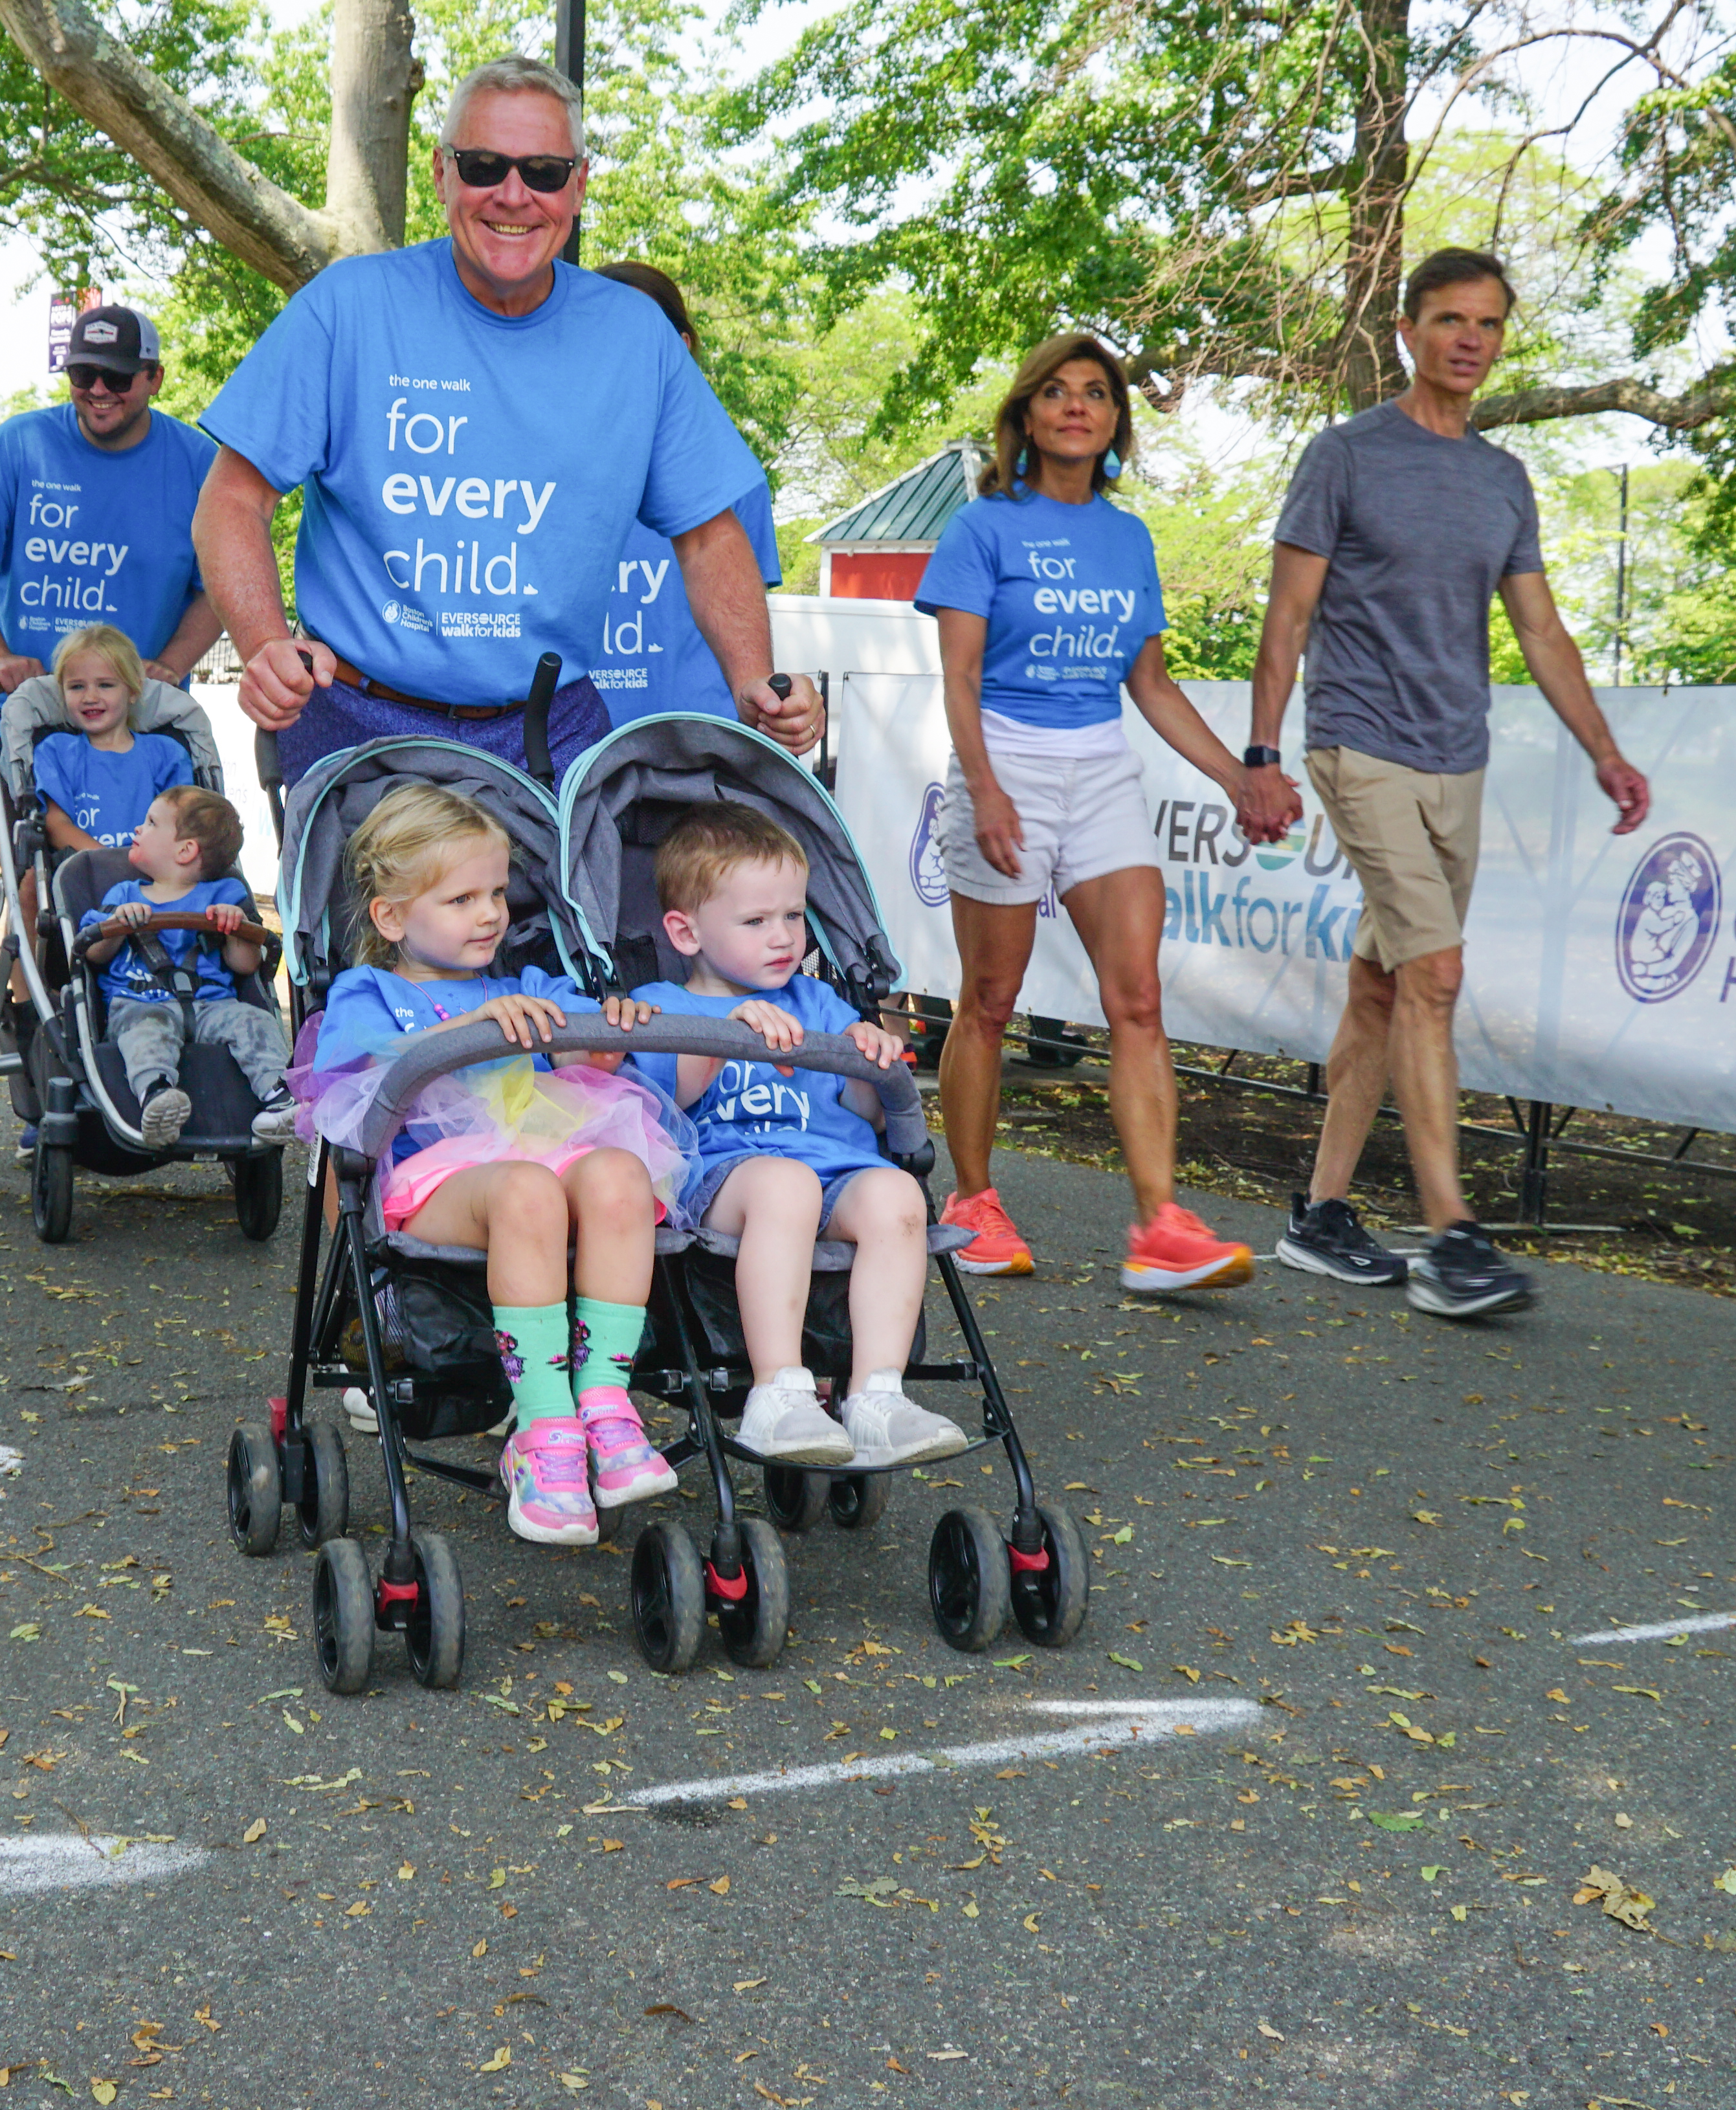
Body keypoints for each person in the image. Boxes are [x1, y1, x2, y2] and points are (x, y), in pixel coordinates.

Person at [189, 57, 824, 784]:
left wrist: (753, 678)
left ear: (579, 185)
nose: (514, 195)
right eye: (484, 165)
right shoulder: (348, 307)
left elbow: (710, 534)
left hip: (549, 731)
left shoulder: (635, 337)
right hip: (358, 726)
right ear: (441, 173)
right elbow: (232, 501)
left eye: (545, 172)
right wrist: (266, 642)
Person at [1246, 249, 1651, 1322]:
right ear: (1407, 333)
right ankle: (1453, 1238)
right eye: (1448, 320)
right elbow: (1287, 618)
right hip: (1357, 744)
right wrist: (1262, 750)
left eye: (1488, 323)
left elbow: (1539, 628)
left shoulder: (1500, 479)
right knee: (1435, 978)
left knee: (1385, 984)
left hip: (1454, 760)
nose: (1469, 338)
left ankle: (1322, 1215)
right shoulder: (1344, 457)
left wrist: (1604, 750)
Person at [921, 334, 1290, 1298]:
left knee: (1138, 999)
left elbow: (1152, 684)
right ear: (1028, 416)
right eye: (1057, 392)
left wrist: (1236, 776)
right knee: (989, 1003)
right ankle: (972, 1200)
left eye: (1096, 393)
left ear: (1117, 420)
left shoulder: (1128, 539)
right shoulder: (984, 527)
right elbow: (959, 676)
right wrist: (988, 786)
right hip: (1006, 762)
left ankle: (1160, 1226)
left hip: (1100, 770)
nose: (1078, 406)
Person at [302, 782, 685, 1548]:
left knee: (619, 1174)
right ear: (391, 916)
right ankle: (545, 1428)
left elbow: (586, 1046)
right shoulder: (368, 992)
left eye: (498, 894)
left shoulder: (527, 987)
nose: (489, 915)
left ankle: (604, 1406)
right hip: (431, 1179)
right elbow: (344, 1093)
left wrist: (600, 1039)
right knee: (527, 1190)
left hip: (537, 1152)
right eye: (461, 899)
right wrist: (460, 1032)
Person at [625, 804, 963, 1469]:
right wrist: (725, 1034)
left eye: (793, 915)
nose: (783, 937)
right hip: (728, 1174)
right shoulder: (666, 1006)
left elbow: (866, 1109)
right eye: (756, 921)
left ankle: (875, 1397)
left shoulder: (819, 1005)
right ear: (685, 931)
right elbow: (666, 1102)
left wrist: (872, 1050)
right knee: (787, 1186)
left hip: (835, 1169)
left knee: (899, 1195)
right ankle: (778, 1391)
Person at [0, 304, 223, 693]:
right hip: (28, 715)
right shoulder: (20, 445)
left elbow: (222, 581)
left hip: (143, 725)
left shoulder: (200, 464)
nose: (99, 389)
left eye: (117, 377)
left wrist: (171, 665)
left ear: (155, 379)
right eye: (84, 374)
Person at [592, 263, 785, 723]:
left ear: (680, 347)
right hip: (571, 746)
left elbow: (746, 635)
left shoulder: (733, 478)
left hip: (698, 751)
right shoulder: (548, 464)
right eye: (600, 337)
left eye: (639, 338)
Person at [80, 783, 298, 1147]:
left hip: (214, 1005)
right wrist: (118, 923)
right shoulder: (123, 896)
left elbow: (245, 966)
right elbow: (93, 955)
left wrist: (236, 929)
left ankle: (279, 1097)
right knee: (145, 1034)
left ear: (185, 850)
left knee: (255, 1021)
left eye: (150, 823)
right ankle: (157, 1094)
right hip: (140, 1003)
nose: (138, 829)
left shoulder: (225, 896)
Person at [31, 623, 194, 855]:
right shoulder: (57, 752)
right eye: (77, 687)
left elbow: (180, 827)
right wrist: (110, 863)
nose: (90, 697)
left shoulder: (166, 754)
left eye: (105, 685)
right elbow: (56, 826)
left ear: (134, 690)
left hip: (154, 877)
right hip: (85, 876)